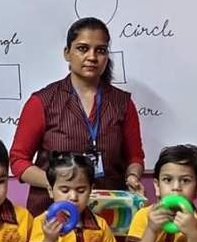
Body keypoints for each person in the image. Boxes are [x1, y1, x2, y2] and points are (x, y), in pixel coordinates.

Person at [9, 17, 146, 215]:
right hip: (53, 214)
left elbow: (135, 157)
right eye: (83, 48)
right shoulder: (42, 102)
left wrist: (133, 176)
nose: (92, 57)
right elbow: (18, 161)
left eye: (100, 50)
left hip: (110, 214)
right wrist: (58, 183)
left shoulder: (122, 103)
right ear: (67, 53)